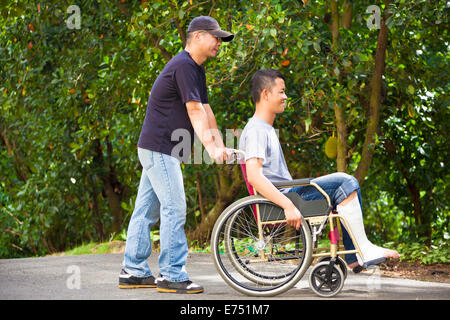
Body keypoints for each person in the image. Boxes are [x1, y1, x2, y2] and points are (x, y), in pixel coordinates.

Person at [238, 68, 400, 269]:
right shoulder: (256, 130)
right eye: (281, 92)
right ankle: (362, 250)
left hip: (287, 193)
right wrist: (288, 206)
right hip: (283, 200)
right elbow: (254, 176)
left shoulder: (265, 129)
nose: (285, 97)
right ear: (265, 94)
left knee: (345, 183)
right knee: (346, 182)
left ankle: (356, 256)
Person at [119, 16, 234, 293]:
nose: (219, 42)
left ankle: (133, 271)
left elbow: (206, 110)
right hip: (159, 147)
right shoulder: (184, 66)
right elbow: (194, 111)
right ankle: (172, 274)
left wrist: (219, 143)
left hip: (158, 148)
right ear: (196, 37)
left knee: (146, 210)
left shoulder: (195, 69)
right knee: (174, 207)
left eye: (221, 39)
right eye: (215, 37)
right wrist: (211, 149)